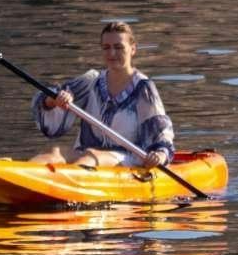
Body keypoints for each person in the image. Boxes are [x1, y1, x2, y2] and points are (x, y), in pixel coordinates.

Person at [23, 20, 175, 169]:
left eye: (118, 47)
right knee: (54, 152)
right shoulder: (91, 81)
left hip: (127, 158)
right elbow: (49, 101)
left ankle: (66, 183)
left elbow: (161, 131)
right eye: (106, 47)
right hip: (85, 152)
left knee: (90, 157)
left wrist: (160, 155)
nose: (112, 53)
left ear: (133, 49)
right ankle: (22, 174)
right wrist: (54, 101)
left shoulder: (144, 88)